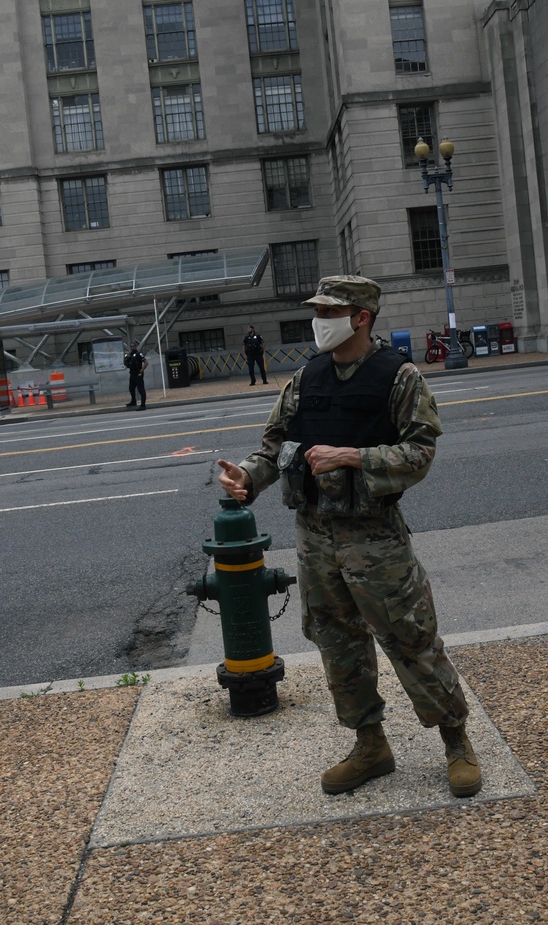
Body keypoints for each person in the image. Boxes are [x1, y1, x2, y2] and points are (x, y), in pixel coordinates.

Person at [216, 275, 481, 799]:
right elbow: (274, 447)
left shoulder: (398, 377)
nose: (320, 321)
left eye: (331, 312)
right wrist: (247, 477)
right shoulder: (307, 377)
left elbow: (420, 455)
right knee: (338, 644)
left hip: (374, 539)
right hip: (315, 536)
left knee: (411, 638)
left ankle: (457, 743)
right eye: (317, 310)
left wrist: (354, 456)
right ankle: (370, 746)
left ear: (361, 317)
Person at [125, 339, 148, 410]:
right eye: (131, 347)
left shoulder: (138, 354)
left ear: (136, 346)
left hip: (138, 374)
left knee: (140, 389)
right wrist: (125, 360)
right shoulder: (130, 355)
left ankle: (143, 405)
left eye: (133, 346)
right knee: (131, 388)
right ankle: (133, 401)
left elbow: (146, 362)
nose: (132, 348)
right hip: (132, 374)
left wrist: (142, 370)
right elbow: (127, 364)